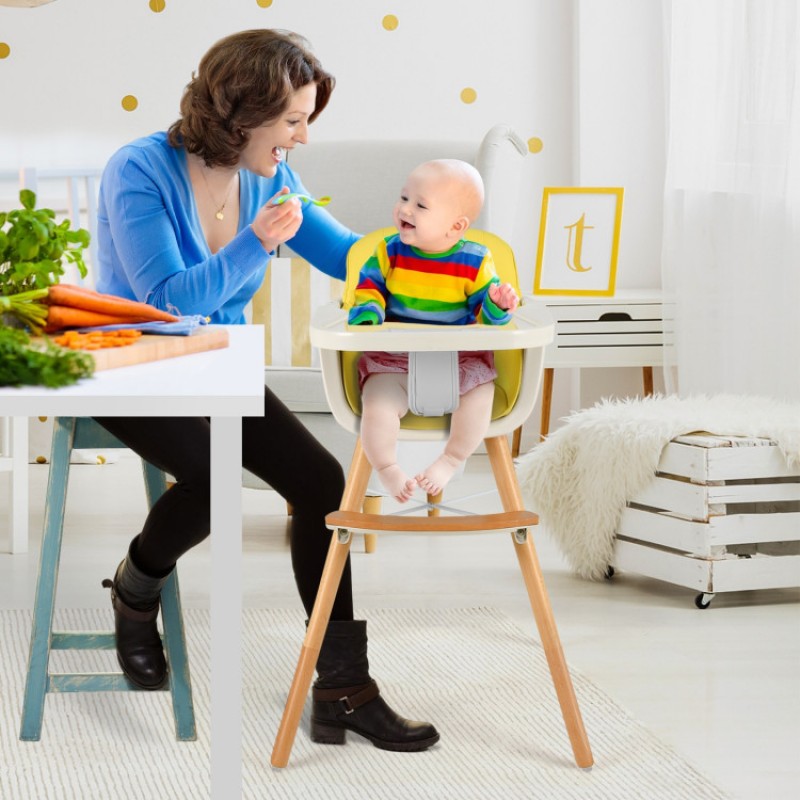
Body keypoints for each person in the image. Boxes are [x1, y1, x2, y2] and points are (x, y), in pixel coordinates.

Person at [92, 29, 438, 753]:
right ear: (238, 112)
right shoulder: (138, 170)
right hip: (132, 363)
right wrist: (253, 242)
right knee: (216, 482)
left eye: (306, 120)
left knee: (321, 485)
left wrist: (446, 263)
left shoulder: (271, 175)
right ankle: (135, 588)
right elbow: (165, 301)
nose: (303, 137)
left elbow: (348, 255)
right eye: (291, 121)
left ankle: (343, 689)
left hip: (220, 364)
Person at [348, 159, 519, 502]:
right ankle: (387, 468)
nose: (405, 209)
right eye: (404, 197)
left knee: (481, 394)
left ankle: (451, 459)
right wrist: (369, 314)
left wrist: (498, 305)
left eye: (420, 205)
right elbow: (368, 287)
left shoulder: (475, 261)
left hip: (459, 362)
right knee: (377, 403)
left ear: (455, 227)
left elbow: (487, 318)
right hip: (395, 360)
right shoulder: (388, 252)